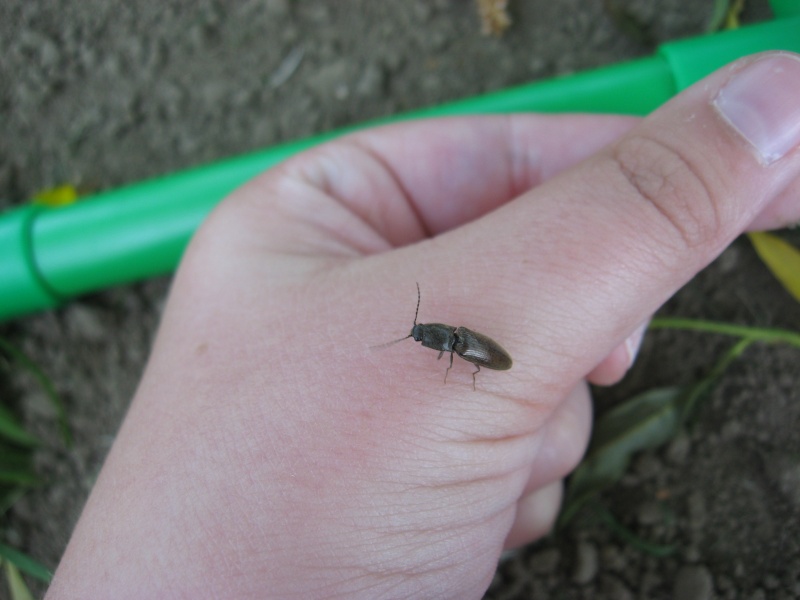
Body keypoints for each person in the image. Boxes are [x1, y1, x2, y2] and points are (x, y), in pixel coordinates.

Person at [46, 52, 800, 599]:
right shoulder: (443, 338)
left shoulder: (448, 333)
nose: (427, 335)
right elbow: (453, 345)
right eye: (426, 333)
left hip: (486, 350)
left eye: (426, 330)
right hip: (485, 353)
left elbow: (459, 340)